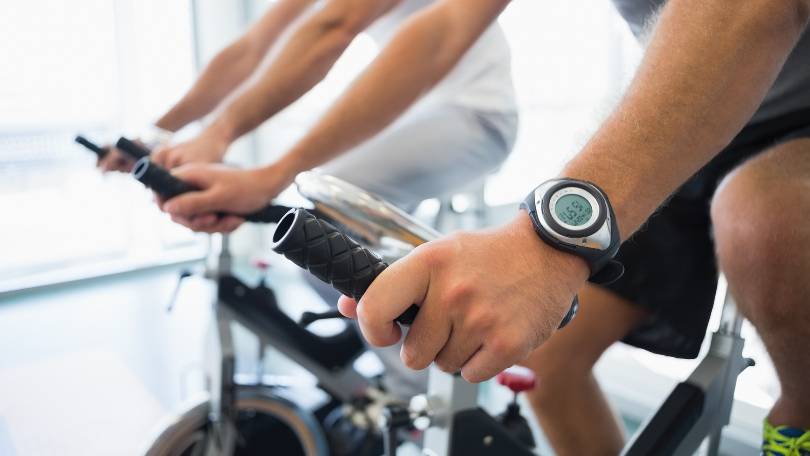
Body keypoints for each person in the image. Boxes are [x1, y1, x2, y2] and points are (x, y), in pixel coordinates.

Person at [162, 0, 810, 454]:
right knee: (546, 361)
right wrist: (265, 168)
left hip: (792, 117)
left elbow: (751, 8)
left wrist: (549, 243)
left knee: (759, 215)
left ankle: (798, 422)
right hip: (700, 123)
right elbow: (446, 27)